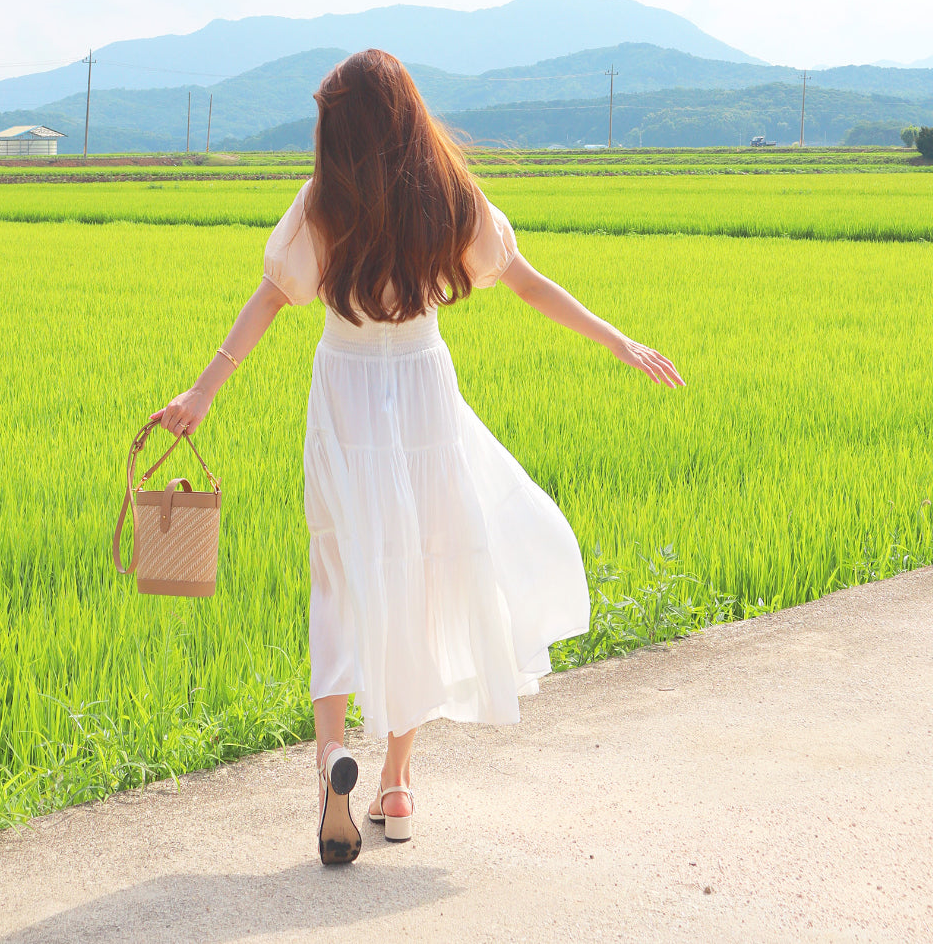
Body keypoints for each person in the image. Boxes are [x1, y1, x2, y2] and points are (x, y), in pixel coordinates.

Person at [151, 49, 684, 866]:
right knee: (420, 578)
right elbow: (528, 281)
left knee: (337, 574)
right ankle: (396, 783)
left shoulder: (321, 205)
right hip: (424, 396)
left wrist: (202, 391)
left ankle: (332, 756)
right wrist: (619, 339)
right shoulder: (449, 195)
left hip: (344, 395)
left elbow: (268, 298)